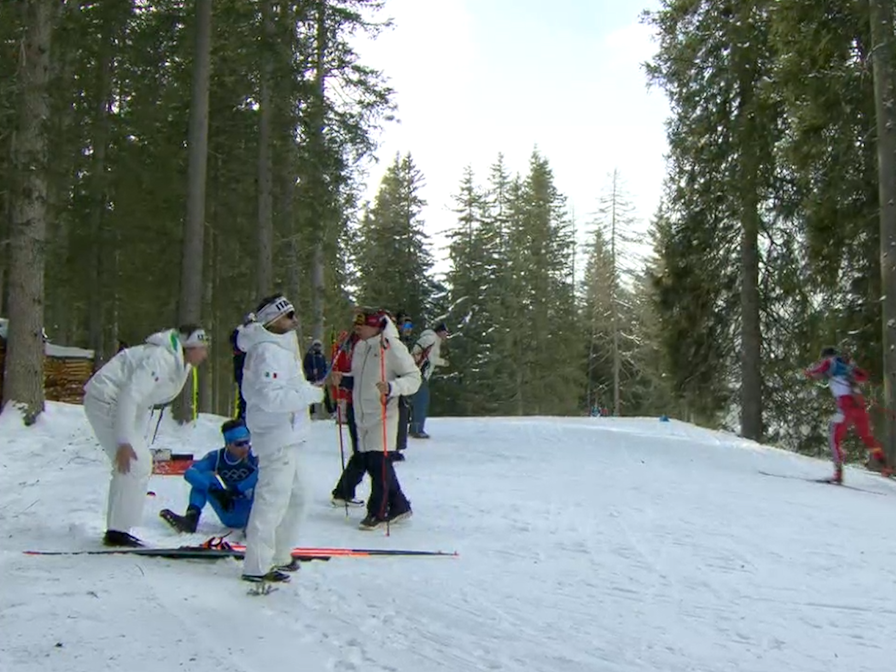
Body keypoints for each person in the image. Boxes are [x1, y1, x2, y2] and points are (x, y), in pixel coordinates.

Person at [83, 325, 210, 547]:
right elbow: (129, 395)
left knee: (135, 464)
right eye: (200, 348)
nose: (204, 354)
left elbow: (141, 399)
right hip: (108, 399)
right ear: (188, 347)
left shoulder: (181, 364)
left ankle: (119, 529)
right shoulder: (161, 359)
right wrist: (123, 441)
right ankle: (118, 532)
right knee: (134, 462)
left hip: (130, 405)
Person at [236, 293, 323, 584]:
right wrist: (312, 394)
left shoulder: (281, 347)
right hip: (276, 435)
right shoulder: (266, 352)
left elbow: (289, 386)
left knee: (299, 496)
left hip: (289, 433)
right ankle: (257, 566)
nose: (294, 320)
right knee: (271, 501)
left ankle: (280, 554)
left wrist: (310, 387)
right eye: (289, 315)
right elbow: (271, 399)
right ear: (273, 320)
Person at [330, 308, 421, 530]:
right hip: (361, 413)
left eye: (363, 325)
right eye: (356, 324)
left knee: (379, 463)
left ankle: (378, 512)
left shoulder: (392, 347)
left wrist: (392, 387)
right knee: (370, 462)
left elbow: (414, 377)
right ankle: (399, 504)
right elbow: (363, 380)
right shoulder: (360, 347)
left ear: (376, 326)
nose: (358, 328)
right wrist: (344, 381)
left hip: (384, 413)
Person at [805, 346, 892, 483]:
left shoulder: (830, 362)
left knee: (834, 437)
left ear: (826, 356)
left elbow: (818, 371)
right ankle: (885, 466)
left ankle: (838, 473)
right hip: (859, 406)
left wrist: (809, 373)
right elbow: (863, 376)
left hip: (845, 407)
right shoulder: (847, 366)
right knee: (868, 438)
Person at [159, 419, 259, 533]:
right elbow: (190, 473)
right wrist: (215, 491)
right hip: (229, 508)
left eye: (247, 442)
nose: (245, 447)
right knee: (205, 477)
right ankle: (191, 519)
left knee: (265, 481)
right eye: (239, 444)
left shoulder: (255, 456)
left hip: (254, 511)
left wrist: (237, 489)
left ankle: (256, 527)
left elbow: (262, 474)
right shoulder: (216, 457)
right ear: (228, 444)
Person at [328, 329, 365, 507]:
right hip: (357, 401)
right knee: (364, 451)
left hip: (354, 400)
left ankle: (344, 490)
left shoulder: (348, 343)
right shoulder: (356, 345)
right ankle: (344, 491)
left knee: (363, 450)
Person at [408, 322, 449, 439]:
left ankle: (414, 428)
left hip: (415, 372)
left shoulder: (427, 338)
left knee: (418, 402)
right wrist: (444, 362)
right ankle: (417, 430)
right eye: (445, 333)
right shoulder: (432, 339)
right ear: (440, 332)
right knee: (421, 401)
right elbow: (431, 358)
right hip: (420, 374)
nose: (446, 336)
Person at [393, 312, 415, 456]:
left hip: (403, 382)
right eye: (406, 325)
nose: (409, 328)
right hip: (394, 382)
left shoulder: (406, 341)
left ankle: (397, 446)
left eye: (410, 325)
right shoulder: (395, 341)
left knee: (403, 413)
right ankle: (391, 447)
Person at [230, 313, 256, 420]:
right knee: (244, 396)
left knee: (245, 396)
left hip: (247, 369)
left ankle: (244, 416)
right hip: (244, 369)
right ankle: (243, 417)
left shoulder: (243, 333)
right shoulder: (240, 333)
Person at [303, 339, 329, 419]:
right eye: (316, 345)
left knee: (325, 395)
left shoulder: (322, 356)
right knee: (312, 395)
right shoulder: (309, 355)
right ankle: (312, 412)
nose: (317, 347)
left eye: (319, 346)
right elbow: (306, 366)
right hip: (312, 379)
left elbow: (324, 366)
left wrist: (324, 375)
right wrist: (311, 372)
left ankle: (330, 411)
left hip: (321, 378)